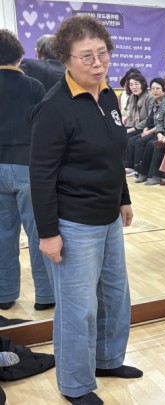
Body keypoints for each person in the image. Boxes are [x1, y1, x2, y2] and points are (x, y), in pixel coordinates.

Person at [29, 16, 142, 405]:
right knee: (78, 310)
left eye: (103, 53)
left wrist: (123, 197)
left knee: (113, 296)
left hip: (108, 216)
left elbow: (114, 154)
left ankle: (107, 360)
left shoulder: (108, 95)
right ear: (66, 59)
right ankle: (75, 384)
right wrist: (48, 233)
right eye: (87, 56)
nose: (98, 63)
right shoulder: (54, 107)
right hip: (73, 222)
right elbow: (41, 176)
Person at [0, 29, 55, 312]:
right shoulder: (34, 86)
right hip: (28, 166)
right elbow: (44, 129)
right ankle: (45, 295)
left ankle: (5, 294)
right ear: (19, 56)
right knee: (38, 233)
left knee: (2, 234)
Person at [135, 74, 165, 185]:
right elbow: (159, 119)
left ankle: (156, 175)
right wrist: (159, 133)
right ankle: (143, 173)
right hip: (162, 132)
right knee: (142, 141)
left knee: (153, 144)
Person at [125, 77, 165, 176]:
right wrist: (145, 128)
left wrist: (146, 130)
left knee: (137, 141)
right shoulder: (154, 101)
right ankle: (128, 166)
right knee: (123, 136)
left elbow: (160, 122)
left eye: (136, 84)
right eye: (153, 89)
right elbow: (149, 117)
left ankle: (139, 170)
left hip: (158, 130)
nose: (134, 87)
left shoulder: (153, 99)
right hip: (148, 128)